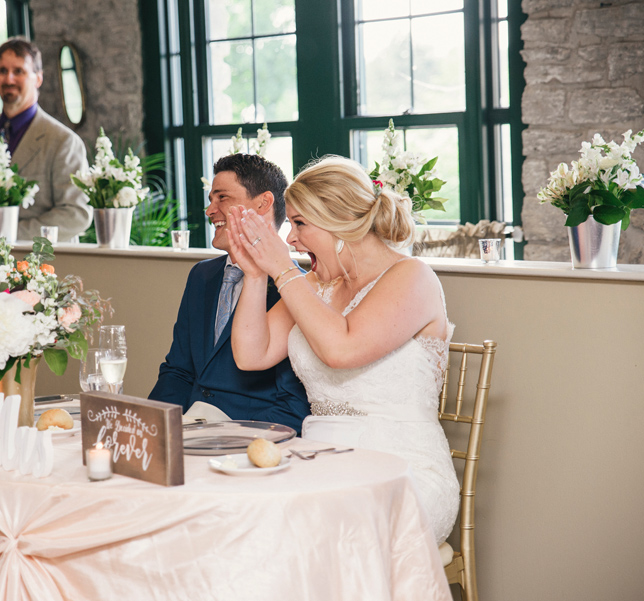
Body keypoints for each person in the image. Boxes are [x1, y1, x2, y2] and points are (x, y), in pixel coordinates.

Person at [227, 155, 459, 544]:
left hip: (404, 473)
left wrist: (284, 269)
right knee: (244, 519)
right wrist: (255, 273)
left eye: (300, 223)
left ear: (339, 224)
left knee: (309, 534)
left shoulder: (413, 277)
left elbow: (342, 349)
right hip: (323, 462)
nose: (290, 239)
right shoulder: (315, 284)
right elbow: (252, 354)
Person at [148, 153, 309, 433]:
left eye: (222, 198)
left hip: (249, 439)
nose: (210, 211)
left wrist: (228, 440)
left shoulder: (298, 289)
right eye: (211, 199)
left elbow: (292, 404)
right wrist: (150, 426)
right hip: (187, 432)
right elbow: (178, 370)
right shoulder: (201, 275)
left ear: (263, 203)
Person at [0, 37, 92, 242]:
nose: (9, 80)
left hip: (42, 265)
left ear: (38, 78)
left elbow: (76, 214)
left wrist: (4, 235)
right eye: (2, 71)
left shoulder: (63, 141)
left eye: (19, 71)